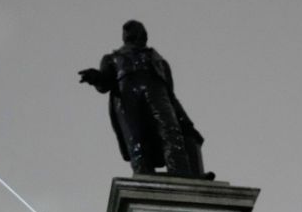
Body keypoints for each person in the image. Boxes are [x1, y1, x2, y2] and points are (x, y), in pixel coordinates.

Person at [78, 20, 211, 178]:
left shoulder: (158, 60)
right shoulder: (112, 58)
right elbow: (105, 83)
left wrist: (183, 117)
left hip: (157, 92)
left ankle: (180, 172)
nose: (140, 36)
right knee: (136, 138)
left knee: (170, 129)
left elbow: (170, 94)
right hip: (127, 95)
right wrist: (96, 77)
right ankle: (143, 174)